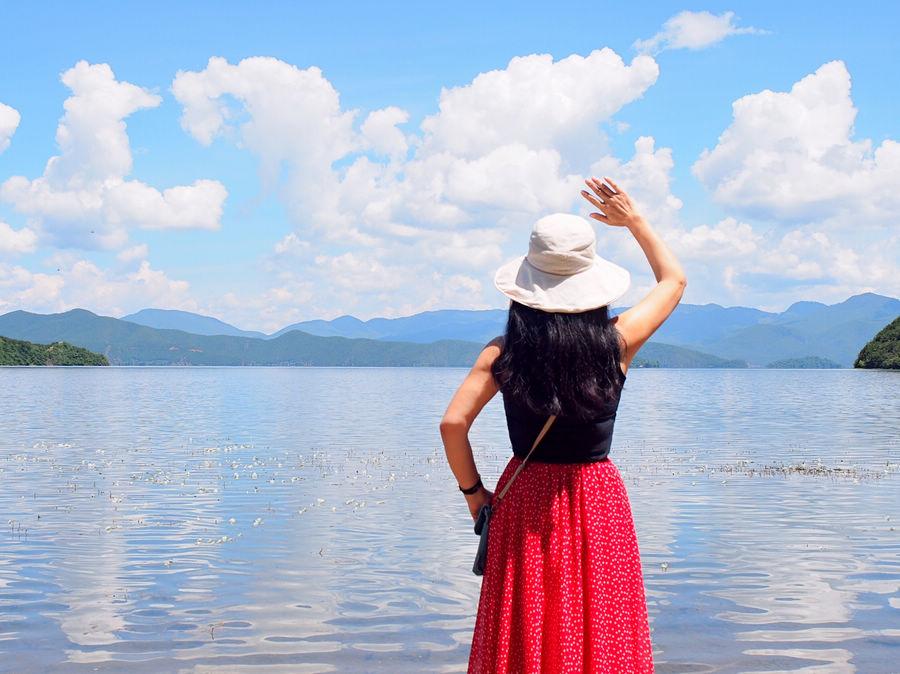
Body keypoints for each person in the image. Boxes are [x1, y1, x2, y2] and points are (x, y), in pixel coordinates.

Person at [440, 176, 686, 673]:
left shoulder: (503, 352)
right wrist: (633, 220)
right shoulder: (615, 343)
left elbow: (452, 424)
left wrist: (475, 495)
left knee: (528, 621)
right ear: (592, 281)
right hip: (594, 496)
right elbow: (673, 281)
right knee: (599, 622)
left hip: (524, 493)